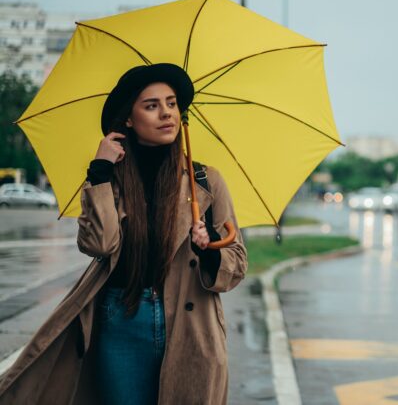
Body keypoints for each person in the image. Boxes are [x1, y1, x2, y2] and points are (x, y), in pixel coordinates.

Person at [0, 63, 248, 405]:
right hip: (122, 319)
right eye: (151, 105)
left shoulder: (205, 181)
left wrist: (207, 250)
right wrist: (99, 172)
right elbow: (98, 244)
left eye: (172, 103)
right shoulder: (111, 178)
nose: (166, 114)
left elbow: (235, 265)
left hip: (191, 327)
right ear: (128, 120)